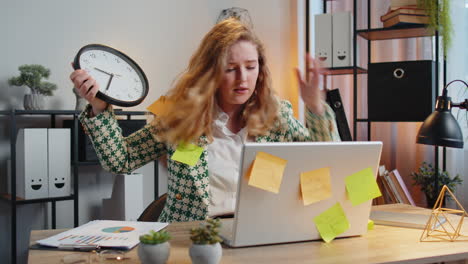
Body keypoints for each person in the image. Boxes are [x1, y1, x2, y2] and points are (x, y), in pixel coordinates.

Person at [70, 18, 340, 223]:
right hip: (191, 240)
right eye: (230, 69)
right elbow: (120, 160)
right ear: (211, 71)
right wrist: (100, 107)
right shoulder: (176, 113)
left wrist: (315, 106)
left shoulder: (276, 114)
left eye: (250, 66)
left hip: (258, 234)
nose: (243, 79)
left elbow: (324, 159)